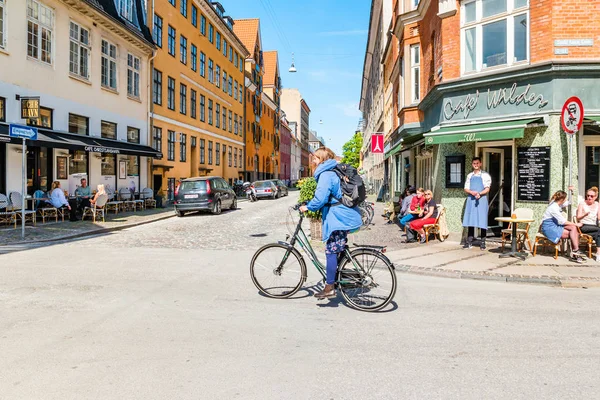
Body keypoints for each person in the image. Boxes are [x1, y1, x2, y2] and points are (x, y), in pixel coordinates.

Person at [299, 147, 362, 300]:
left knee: (331, 251)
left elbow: (320, 199)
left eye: (314, 158)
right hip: (343, 216)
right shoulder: (332, 172)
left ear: (321, 159)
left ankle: (329, 287)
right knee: (337, 249)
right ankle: (338, 275)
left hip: (339, 218)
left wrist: (308, 207)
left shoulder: (326, 174)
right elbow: (327, 197)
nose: (312, 161)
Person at [541, 190, 584, 263]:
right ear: (562, 200)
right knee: (574, 234)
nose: (566, 200)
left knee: (573, 229)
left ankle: (576, 252)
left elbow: (569, 202)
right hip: (549, 228)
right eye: (565, 198)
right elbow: (562, 221)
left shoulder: (557, 203)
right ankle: (576, 253)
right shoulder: (553, 208)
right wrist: (576, 224)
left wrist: (571, 191)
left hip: (555, 225)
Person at [462, 157, 492, 250]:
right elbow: (466, 188)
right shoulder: (469, 175)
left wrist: (480, 193)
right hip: (471, 199)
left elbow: (487, 188)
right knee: (470, 219)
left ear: (480, 164)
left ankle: (483, 242)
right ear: (472, 164)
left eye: (477, 163)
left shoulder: (485, 175)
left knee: (482, 220)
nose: (476, 165)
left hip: (481, 199)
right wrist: (472, 192)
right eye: (474, 163)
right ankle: (469, 241)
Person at [576, 186, 600, 261]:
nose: (589, 197)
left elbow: (599, 217)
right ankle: (598, 254)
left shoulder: (597, 204)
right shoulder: (582, 204)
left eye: (591, 196)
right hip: (584, 226)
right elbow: (578, 217)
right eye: (588, 195)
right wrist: (584, 214)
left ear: (595, 197)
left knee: (598, 234)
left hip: (594, 227)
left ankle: (598, 253)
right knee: (599, 231)